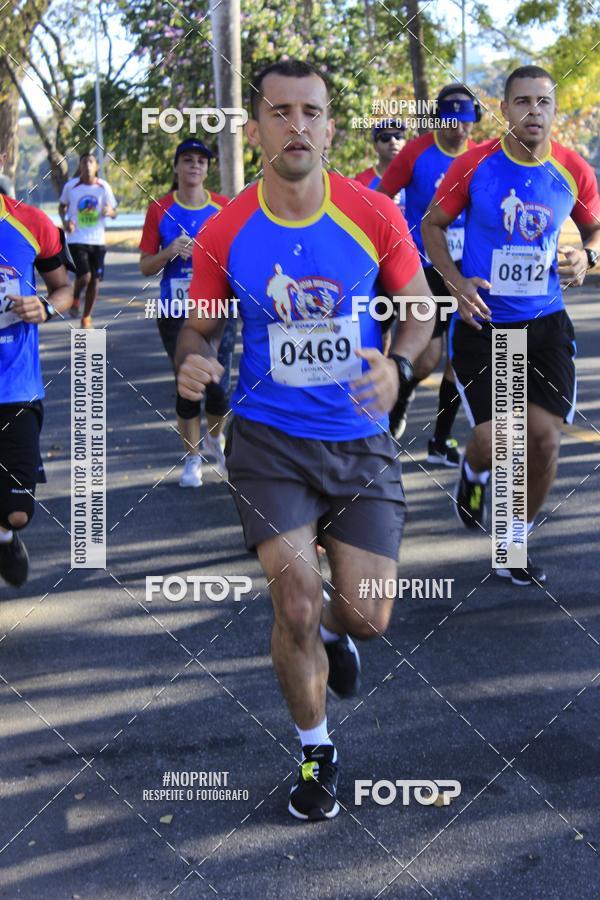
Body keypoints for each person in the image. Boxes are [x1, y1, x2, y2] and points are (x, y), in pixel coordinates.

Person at [176, 59, 433, 821]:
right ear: (254, 130)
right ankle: (316, 750)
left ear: (330, 126)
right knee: (292, 602)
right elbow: (200, 324)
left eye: (311, 111)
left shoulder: (374, 213)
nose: (297, 125)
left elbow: (418, 309)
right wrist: (195, 359)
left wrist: (400, 366)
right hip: (269, 441)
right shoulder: (226, 228)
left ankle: (336, 631)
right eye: (280, 112)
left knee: (369, 615)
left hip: (357, 439)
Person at [421, 65, 600, 585]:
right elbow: (432, 226)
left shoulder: (572, 169)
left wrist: (586, 257)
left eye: (543, 102)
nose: (533, 112)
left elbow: (593, 228)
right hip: (485, 324)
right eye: (522, 102)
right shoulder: (476, 166)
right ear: (504, 109)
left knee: (542, 441)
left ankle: (511, 540)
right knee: (498, 440)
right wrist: (455, 281)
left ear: (554, 110)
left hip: (544, 324)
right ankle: (474, 474)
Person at [378, 84, 481, 462]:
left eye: (466, 122)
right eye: (452, 121)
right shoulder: (417, 152)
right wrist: (395, 243)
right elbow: (383, 197)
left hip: (466, 268)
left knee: (459, 356)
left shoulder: (478, 156)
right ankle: (401, 396)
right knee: (426, 357)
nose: (459, 130)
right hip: (422, 266)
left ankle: (439, 439)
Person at [139, 138, 232, 486]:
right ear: (177, 167)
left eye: (201, 161)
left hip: (217, 308)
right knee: (188, 386)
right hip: (175, 310)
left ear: (207, 169)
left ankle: (215, 438)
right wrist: (169, 252)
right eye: (188, 160)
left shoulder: (224, 207)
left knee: (219, 387)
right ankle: (192, 458)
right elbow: (145, 266)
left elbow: (237, 256)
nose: (195, 166)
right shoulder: (159, 209)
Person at [0, 149, 73, 587]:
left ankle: (6, 536)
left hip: (16, 388)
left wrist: (44, 306)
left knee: (18, 510)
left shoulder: (32, 222)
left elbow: (65, 288)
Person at [58, 152, 117, 327]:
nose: (88, 165)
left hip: (97, 240)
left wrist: (110, 212)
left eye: (91, 162)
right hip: (77, 239)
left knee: (95, 280)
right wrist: (66, 221)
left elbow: (114, 212)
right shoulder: (71, 187)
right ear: (80, 166)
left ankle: (86, 317)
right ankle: (75, 297)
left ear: (96, 166)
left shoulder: (103, 187)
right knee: (84, 276)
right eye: (84, 162)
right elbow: (62, 206)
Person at [354, 119, 406, 212]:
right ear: (375, 146)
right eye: (385, 137)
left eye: (398, 136)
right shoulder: (362, 181)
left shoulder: (416, 177)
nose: (393, 141)